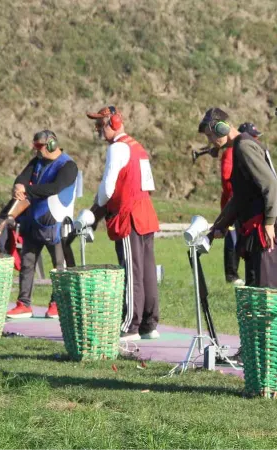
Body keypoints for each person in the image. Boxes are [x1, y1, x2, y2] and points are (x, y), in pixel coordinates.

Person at [86, 106, 161, 341]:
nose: (98, 131)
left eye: (101, 125)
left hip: (129, 216)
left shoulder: (117, 148)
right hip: (145, 214)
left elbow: (107, 188)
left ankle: (130, 325)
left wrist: (94, 211)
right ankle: (149, 323)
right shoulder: (137, 147)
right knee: (147, 270)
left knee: (132, 271)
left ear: (114, 123)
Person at [202, 108, 277, 288]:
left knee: (265, 291)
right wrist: (219, 227)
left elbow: (270, 183)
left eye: (210, 135)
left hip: (264, 228)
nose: (209, 141)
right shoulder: (239, 146)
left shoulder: (243, 146)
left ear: (222, 128)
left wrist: (269, 223)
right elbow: (240, 197)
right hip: (256, 226)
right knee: (255, 289)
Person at [5, 130, 79, 320]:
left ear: (52, 144)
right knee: (27, 263)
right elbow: (22, 177)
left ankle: (57, 304)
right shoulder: (37, 161)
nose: (36, 150)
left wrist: (27, 189)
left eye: (39, 146)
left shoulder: (68, 166)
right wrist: (18, 188)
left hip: (55, 222)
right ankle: (24, 304)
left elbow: (54, 188)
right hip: (34, 219)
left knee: (58, 266)